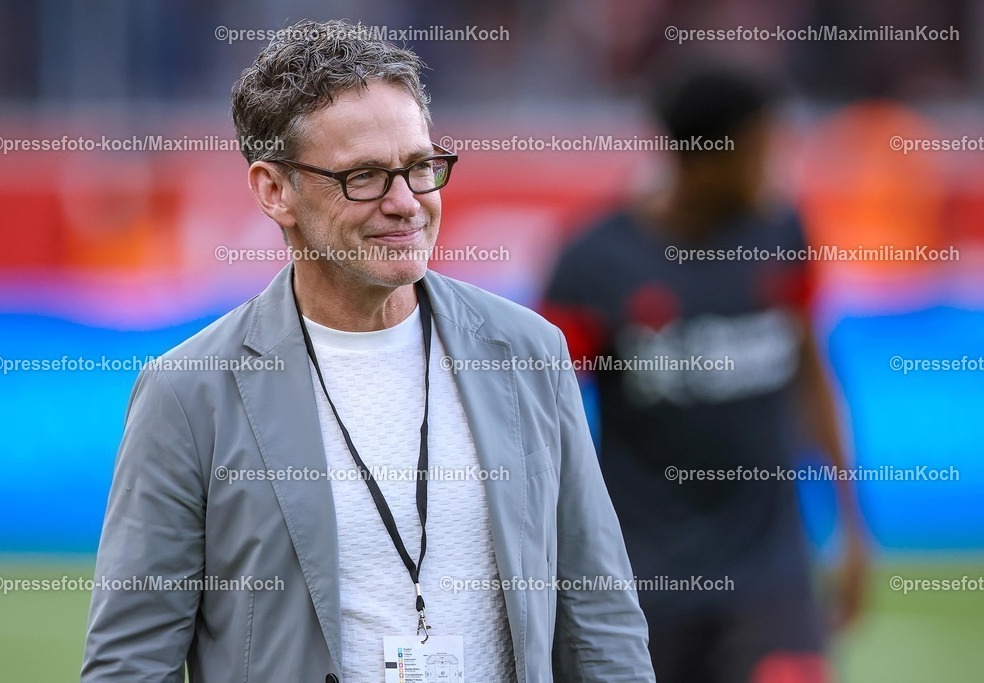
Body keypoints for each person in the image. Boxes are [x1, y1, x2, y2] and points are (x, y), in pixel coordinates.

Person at [81, 19, 654, 683]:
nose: (406, 203)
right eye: (364, 177)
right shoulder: (189, 392)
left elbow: (599, 611)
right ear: (274, 190)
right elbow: (131, 660)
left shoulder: (527, 351)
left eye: (420, 166)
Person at [542, 67, 868, 683]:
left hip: (770, 575)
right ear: (707, 160)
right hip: (643, 578)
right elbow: (536, 416)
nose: (776, 168)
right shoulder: (595, 262)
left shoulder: (780, 231)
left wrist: (853, 524)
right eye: (761, 150)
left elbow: (810, 370)